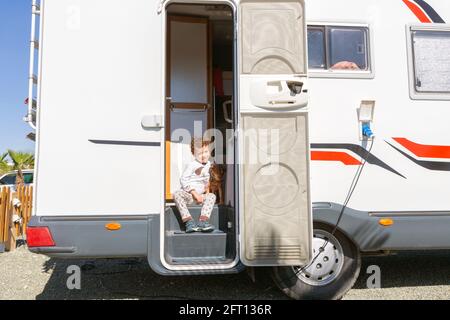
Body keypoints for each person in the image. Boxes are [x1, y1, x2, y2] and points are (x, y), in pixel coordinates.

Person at [173, 138, 216, 233]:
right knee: (176, 194)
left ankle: (203, 221)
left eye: (206, 151)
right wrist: (194, 193)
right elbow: (183, 179)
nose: (204, 155)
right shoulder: (192, 165)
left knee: (212, 196)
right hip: (189, 196)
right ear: (194, 154)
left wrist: (206, 188)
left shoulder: (209, 164)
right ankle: (189, 222)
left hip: (200, 197)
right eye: (200, 153)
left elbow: (207, 178)